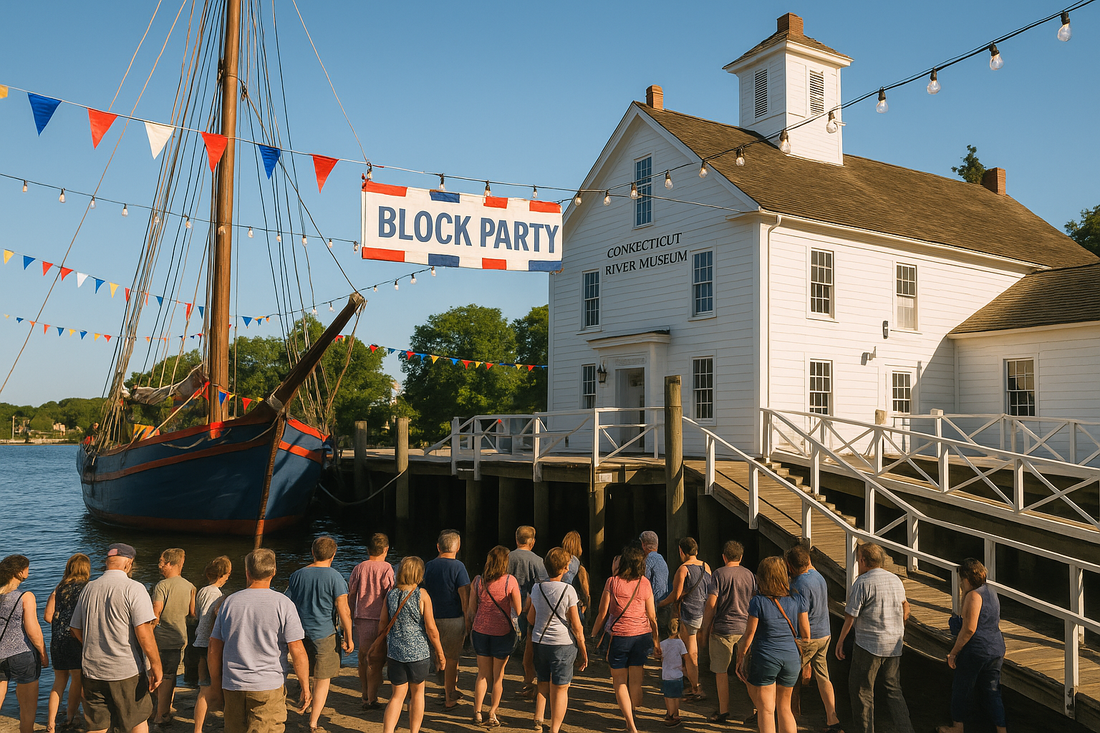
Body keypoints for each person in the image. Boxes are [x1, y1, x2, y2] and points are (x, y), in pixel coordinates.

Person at [208, 548, 311, 733]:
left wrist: (216, 684)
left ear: (247, 572)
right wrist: (305, 685)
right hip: (268, 685)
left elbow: (214, 647)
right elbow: (297, 649)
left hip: (233, 684)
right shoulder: (283, 604)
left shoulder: (230, 603)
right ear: (273, 572)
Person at [69, 543, 164, 733]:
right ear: (129, 564)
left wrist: (94, 645)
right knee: (136, 720)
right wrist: (156, 665)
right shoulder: (134, 588)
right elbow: (144, 634)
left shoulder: (89, 588)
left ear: (107, 562)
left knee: (97, 725)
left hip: (92, 670)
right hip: (126, 671)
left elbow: (75, 628)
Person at [835, 543, 914, 733]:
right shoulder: (896, 580)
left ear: (863, 561)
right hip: (894, 644)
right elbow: (905, 609)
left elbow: (850, 616)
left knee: (862, 691)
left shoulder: (862, 583)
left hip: (868, 645)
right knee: (894, 690)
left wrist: (840, 642)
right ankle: (906, 729)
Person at [285, 536, 354, 733]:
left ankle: (304, 695)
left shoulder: (297, 575)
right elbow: (344, 610)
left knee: (305, 671)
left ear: (313, 552)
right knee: (322, 680)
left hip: (299, 632)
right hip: (325, 633)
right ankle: (313, 722)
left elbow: (288, 603)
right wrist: (349, 637)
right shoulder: (335, 577)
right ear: (333, 554)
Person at [735, 556, 810, 733]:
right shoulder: (796, 599)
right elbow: (805, 633)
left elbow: (750, 633)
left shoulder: (758, 601)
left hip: (766, 657)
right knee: (785, 708)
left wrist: (740, 656)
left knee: (766, 710)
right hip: (791, 657)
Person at [592, 544, 660, 733]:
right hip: (642, 636)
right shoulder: (645, 583)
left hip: (620, 637)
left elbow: (602, 613)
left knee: (619, 681)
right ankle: (634, 707)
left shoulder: (612, 582)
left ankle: (630, 724)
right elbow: (652, 616)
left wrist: (592, 634)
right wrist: (656, 641)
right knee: (636, 682)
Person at [377, 556, 446, 733]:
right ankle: (414, 731)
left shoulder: (390, 594)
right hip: (418, 653)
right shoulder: (422, 595)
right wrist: (440, 653)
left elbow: (382, 624)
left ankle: (388, 731)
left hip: (395, 651)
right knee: (417, 694)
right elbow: (431, 629)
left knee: (397, 695)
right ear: (419, 573)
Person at [937, 558, 1007, 733]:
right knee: (992, 690)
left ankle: (957, 726)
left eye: (961, 580)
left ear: (966, 579)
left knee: (962, 687)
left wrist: (953, 653)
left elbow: (969, 629)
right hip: (996, 647)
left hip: (977, 649)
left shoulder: (973, 596)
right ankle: (1001, 729)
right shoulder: (992, 592)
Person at [526, 547, 588, 733]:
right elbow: (577, 627)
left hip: (540, 641)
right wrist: (584, 650)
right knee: (560, 688)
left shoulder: (537, 588)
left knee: (543, 681)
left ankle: (538, 718)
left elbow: (530, 619)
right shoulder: (569, 590)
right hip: (563, 644)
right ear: (564, 568)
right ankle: (554, 729)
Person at [698, 540, 757, 725]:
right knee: (746, 672)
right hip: (745, 629)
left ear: (724, 556)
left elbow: (711, 604)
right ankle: (758, 709)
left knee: (721, 672)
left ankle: (724, 711)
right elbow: (755, 602)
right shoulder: (749, 575)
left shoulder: (718, 574)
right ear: (741, 557)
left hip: (722, 629)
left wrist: (705, 628)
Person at [785, 545, 841, 732]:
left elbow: (802, 616)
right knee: (824, 677)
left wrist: (805, 642)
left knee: (790, 678)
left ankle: (790, 716)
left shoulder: (798, 585)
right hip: (825, 634)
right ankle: (832, 720)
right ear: (808, 562)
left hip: (809, 637)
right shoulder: (819, 577)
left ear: (789, 566)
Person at [467, 545, 522, 727]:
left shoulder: (478, 581)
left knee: (482, 674)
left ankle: (477, 711)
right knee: (498, 676)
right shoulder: (510, 581)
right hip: (502, 632)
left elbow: (471, 610)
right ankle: (492, 712)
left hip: (481, 631)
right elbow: (518, 609)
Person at [421, 529, 471, 708]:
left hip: (432, 618)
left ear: (438, 547)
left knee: (438, 655)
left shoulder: (428, 566)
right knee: (451, 659)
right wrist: (467, 619)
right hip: (453, 618)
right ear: (457, 548)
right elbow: (464, 595)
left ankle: (442, 686)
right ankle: (450, 695)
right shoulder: (459, 567)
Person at [0, 555, 49, 733]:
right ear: (20, 572)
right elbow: (32, 630)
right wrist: (43, 653)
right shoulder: (25, 597)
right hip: (21, 654)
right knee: (28, 707)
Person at [658, 537, 711, 701]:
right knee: (694, 651)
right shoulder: (706, 566)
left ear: (681, 551)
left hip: (689, 614)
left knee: (690, 653)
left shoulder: (683, 569)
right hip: (705, 612)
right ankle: (693, 683)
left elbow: (676, 595)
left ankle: (696, 688)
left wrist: (660, 603)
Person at [348, 532, 394, 710]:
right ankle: (372, 698)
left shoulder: (359, 568)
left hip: (361, 617)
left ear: (368, 549)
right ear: (386, 549)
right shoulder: (387, 568)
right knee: (376, 660)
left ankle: (365, 693)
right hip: (380, 618)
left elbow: (352, 593)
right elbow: (390, 594)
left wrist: (350, 614)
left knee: (363, 657)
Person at [45, 553, 90, 733]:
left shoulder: (59, 587)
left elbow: (48, 617)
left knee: (58, 682)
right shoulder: (87, 588)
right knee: (77, 680)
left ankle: (50, 723)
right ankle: (71, 717)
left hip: (57, 640)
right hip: (76, 639)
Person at [151, 548, 196, 728]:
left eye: (162, 562)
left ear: (170, 564)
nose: (159, 565)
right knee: (172, 674)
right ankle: (166, 708)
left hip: (162, 637)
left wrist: (147, 632)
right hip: (180, 637)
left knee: (159, 675)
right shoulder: (191, 586)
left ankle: (159, 714)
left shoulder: (161, 586)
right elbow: (192, 613)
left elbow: (156, 612)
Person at [192, 556, 232, 733]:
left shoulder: (202, 590)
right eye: (228, 574)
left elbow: (198, 615)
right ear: (224, 574)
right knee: (210, 688)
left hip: (199, 641)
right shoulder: (216, 595)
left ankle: (199, 727)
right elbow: (213, 617)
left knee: (204, 687)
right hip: (209, 645)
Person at [507, 525, 546, 698]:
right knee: (530, 646)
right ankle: (528, 680)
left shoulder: (508, 558)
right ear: (533, 542)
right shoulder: (539, 561)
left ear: (516, 539)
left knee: (513, 644)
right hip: (532, 608)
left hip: (510, 607)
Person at [659, 630, 689, 728]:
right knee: (676, 697)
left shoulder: (662, 643)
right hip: (678, 675)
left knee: (668, 697)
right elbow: (685, 655)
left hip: (667, 675)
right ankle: (675, 714)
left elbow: (660, 656)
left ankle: (670, 715)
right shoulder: (680, 643)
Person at [640, 531, 670, 617]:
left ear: (644, 545)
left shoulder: (649, 560)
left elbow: (643, 582)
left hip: (653, 605)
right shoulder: (661, 559)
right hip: (663, 602)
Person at [560, 531, 591, 614]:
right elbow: (585, 589)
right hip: (573, 601)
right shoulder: (577, 563)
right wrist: (587, 605)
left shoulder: (559, 559)